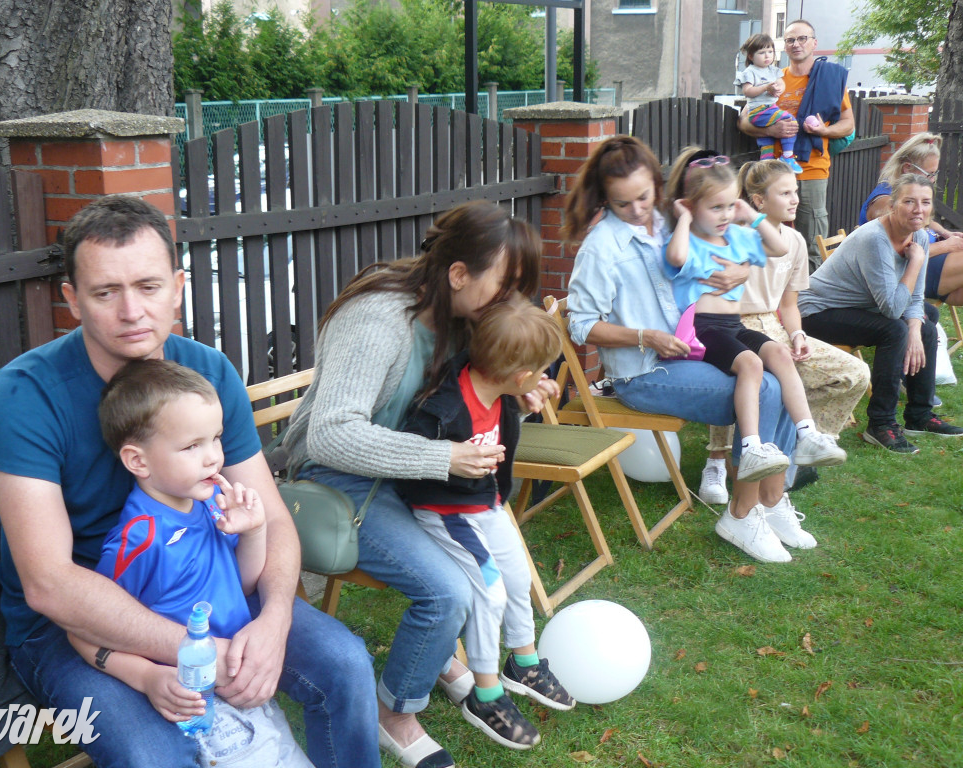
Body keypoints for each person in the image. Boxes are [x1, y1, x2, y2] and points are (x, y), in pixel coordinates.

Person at [0, 195, 378, 768]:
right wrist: (197, 654)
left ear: (178, 286)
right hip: (78, 631)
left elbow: (271, 516)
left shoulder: (206, 373)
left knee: (344, 664)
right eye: (104, 292)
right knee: (151, 755)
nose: (132, 311)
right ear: (71, 299)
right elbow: (49, 584)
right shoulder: (27, 394)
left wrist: (274, 621)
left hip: (209, 588)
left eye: (148, 286)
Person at [282, 201, 558, 768]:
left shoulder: (463, 321)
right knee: (448, 591)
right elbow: (331, 436)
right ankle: (395, 714)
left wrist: (510, 393)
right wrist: (443, 458)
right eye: (506, 288)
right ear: (459, 274)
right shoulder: (378, 319)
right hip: (340, 477)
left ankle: (449, 665)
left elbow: (457, 411)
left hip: (411, 474)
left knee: (478, 567)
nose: (513, 303)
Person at [562, 135, 802, 564]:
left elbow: (726, 242)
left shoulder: (666, 221)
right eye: (622, 204)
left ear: (657, 184)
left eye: (643, 196)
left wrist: (740, 270)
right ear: (605, 200)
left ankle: (772, 499)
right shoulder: (601, 247)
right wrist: (645, 336)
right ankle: (744, 513)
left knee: (779, 375)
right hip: (643, 372)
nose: (637, 210)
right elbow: (580, 325)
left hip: (693, 348)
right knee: (765, 388)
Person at [65, 359, 313, 768]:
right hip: (200, 703)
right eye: (191, 446)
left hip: (244, 683)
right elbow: (86, 628)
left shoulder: (208, 503)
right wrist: (145, 677)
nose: (213, 457)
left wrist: (253, 532)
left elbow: (243, 585)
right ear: (138, 461)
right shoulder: (140, 539)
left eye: (215, 439)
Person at [396, 297, 574, 752]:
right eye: (541, 371)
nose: (544, 379)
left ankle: (524, 662)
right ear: (518, 375)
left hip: (485, 504)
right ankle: (486, 693)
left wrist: (527, 404)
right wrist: (448, 463)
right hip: (447, 511)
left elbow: (499, 427)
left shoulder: (498, 390)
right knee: (489, 589)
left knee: (517, 576)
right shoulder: (443, 406)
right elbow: (410, 457)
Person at [664, 147, 847, 486]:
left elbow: (779, 247)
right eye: (715, 207)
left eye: (729, 205)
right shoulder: (690, 240)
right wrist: (685, 217)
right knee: (751, 365)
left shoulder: (737, 235)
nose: (724, 215)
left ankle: (806, 435)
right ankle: (750, 448)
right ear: (691, 206)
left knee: (778, 353)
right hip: (702, 330)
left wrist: (750, 213)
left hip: (733, 325)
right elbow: (675, 257)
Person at [697, 160, 869, 509]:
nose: (795, 199)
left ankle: (801, 442)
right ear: (758, 201)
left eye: (796, 191)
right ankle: (716, 460)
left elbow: (789, 304)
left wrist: (797, 335)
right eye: (786, 192)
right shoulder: (732, 230)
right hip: (728, 323)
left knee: (855, 373)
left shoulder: (794, 239)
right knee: (742, 378)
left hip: (774, 328)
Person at [799, 174, 963, 453]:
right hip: (818, 311)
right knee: (895, 329)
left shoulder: (920, 236)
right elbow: (891, 308)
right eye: (909, 201)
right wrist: (916, 262)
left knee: (922, 322)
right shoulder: (875, 239)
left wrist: (914, 329)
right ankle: (881, 424)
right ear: (893, 206)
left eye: (925, 202)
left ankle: (919, 415)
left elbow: (914, 295)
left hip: (861, 306)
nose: (918, 209)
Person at [738, 18, 855, 270]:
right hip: (772, 172)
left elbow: (848, 124)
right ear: (784, 46)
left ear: (814, 43)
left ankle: (810, 305)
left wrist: (824, 130)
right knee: (768, 239)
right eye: (790, 39)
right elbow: (744, 121)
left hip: (811, 170)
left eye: (802, 38)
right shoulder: (772, 78)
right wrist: (771, 129)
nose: (796, 44)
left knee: (812, 241)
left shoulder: (830, 78)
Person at [859, 132, 963, 306]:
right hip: (905, 273)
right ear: (907, 168)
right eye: (929, 174)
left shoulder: (903, 193)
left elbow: (926, 221)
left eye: (935, 173)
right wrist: (946, 245)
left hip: (928, 262)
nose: (933, 179)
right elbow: (898, 253)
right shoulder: (886, 202)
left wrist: (945, 232)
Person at [735, 33, 803, 173]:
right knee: (790, 120)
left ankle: (765, 165)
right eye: (762, 52)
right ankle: (787, 156)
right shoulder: (750, 72)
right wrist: (765, 88)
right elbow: (747, 91)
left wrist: (778, 89)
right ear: (750, 56)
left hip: (770, 108)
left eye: (770, 52)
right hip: (758, 111)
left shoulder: (773, 70)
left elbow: (781, 84)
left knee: (767, 139)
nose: (767, 56)